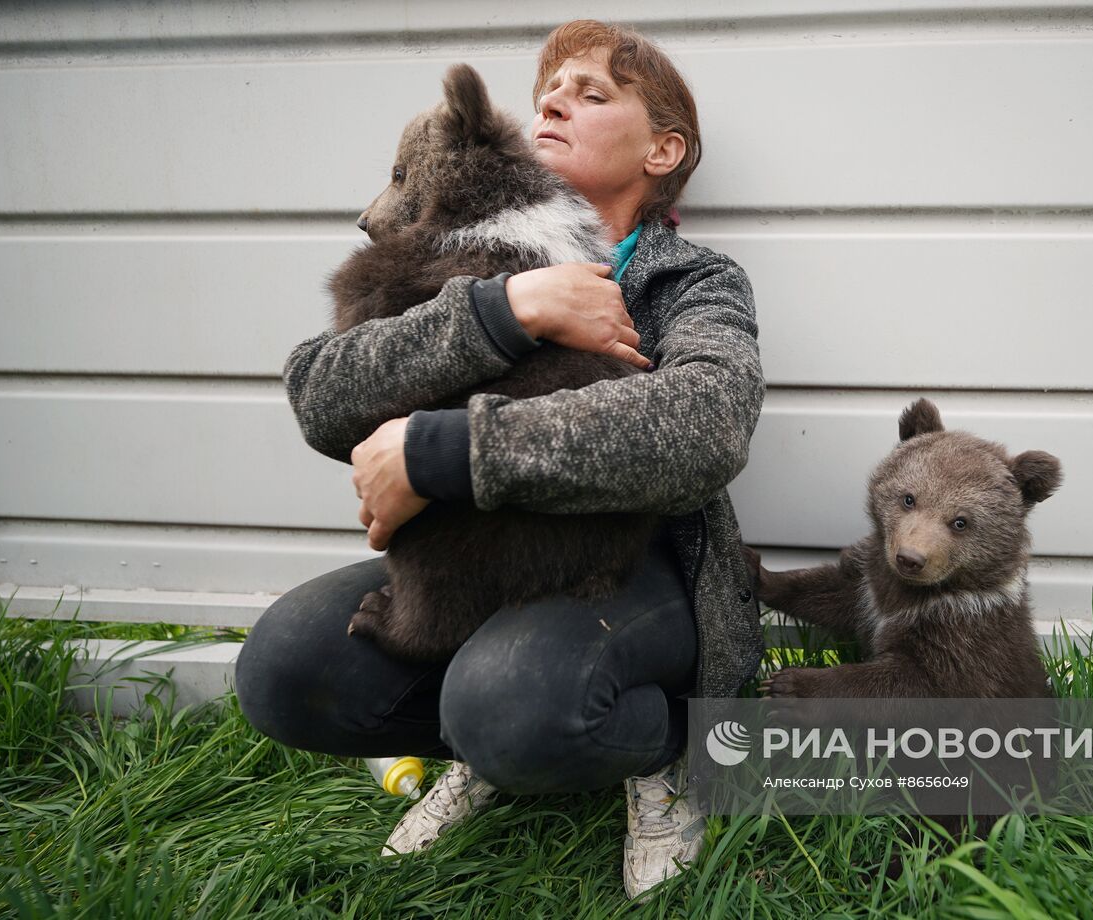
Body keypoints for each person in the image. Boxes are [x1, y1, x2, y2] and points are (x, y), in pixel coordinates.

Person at [233, 19, 766, 900]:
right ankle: (490, 739)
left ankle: (660, 745)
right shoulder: (459, 257)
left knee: (513, 702)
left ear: (663, 150)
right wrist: (505, 310)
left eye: (591, 95)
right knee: (285, 669)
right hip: (475, 559)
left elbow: (703, 427)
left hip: (636, 571)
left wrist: (437, 452)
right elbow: (319, 394)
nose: (553, 101)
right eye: (547, 94)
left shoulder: (691, 282)